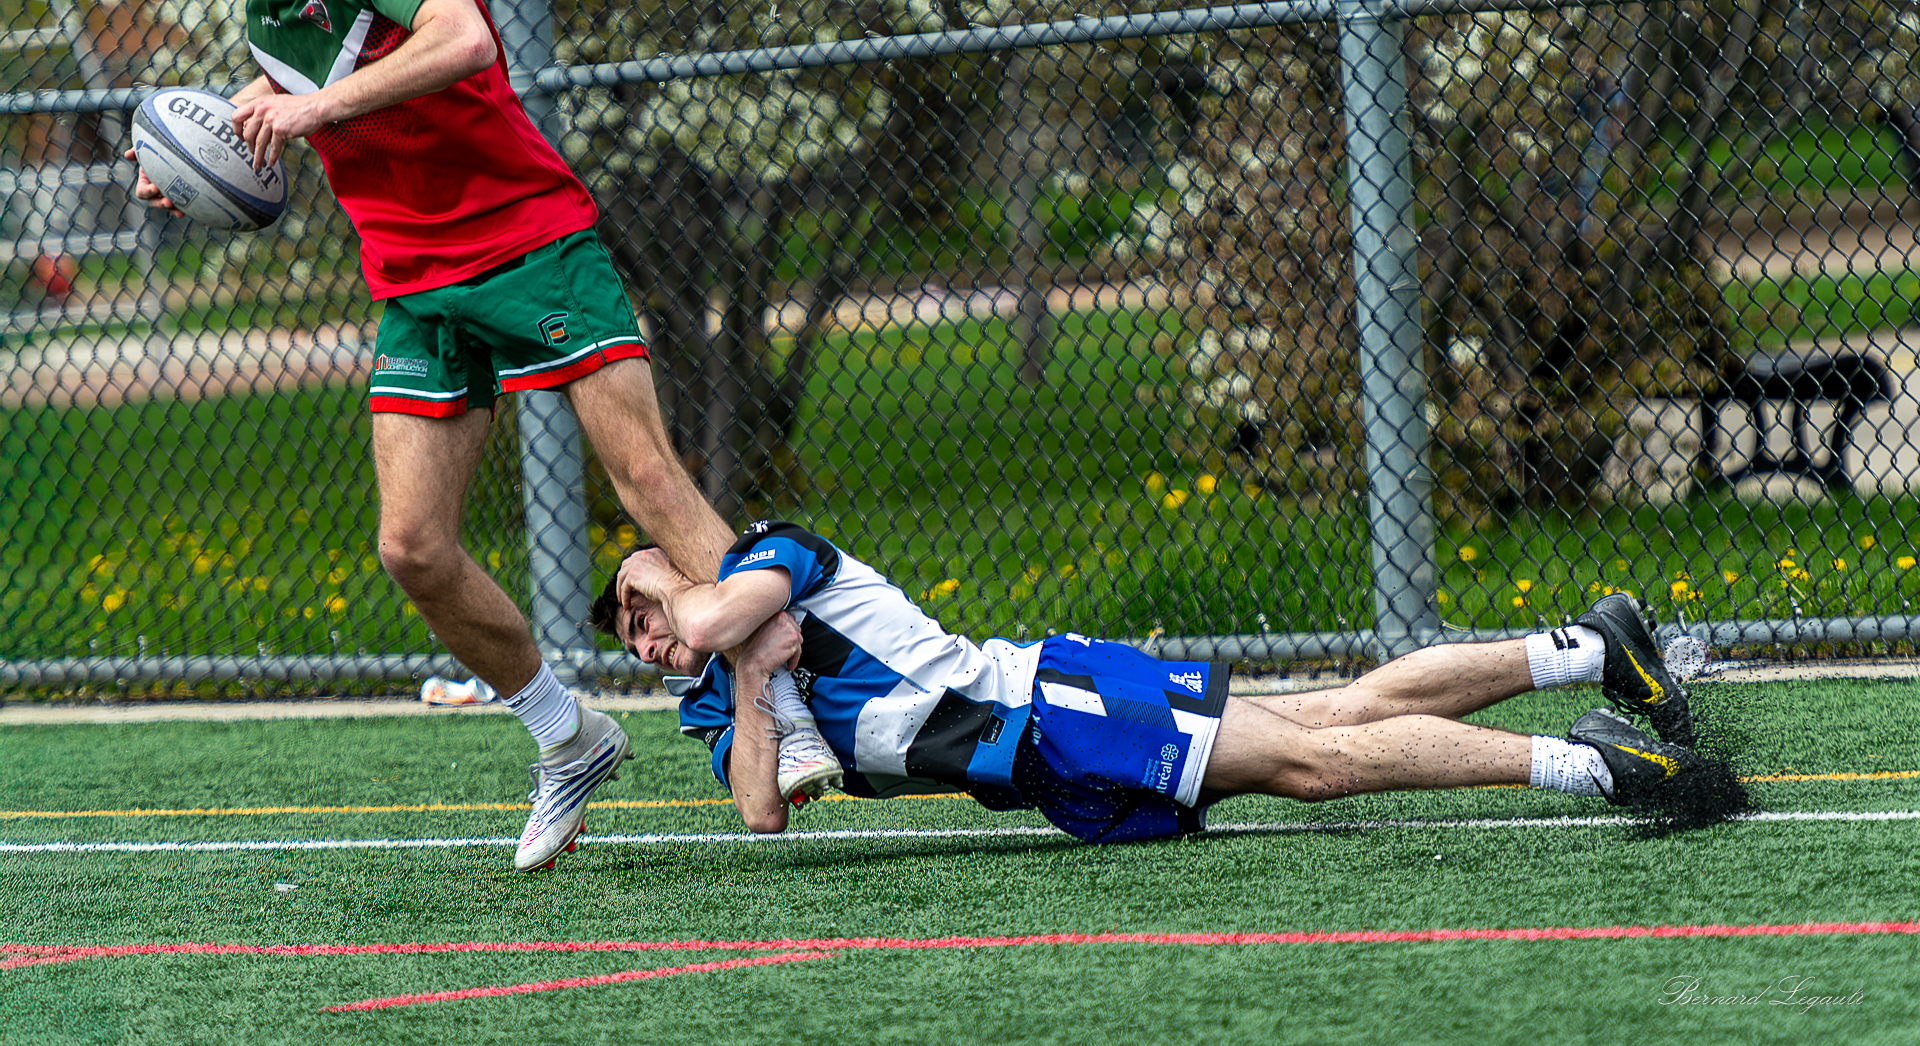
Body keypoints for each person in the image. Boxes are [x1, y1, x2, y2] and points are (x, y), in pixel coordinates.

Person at [126, 0, 736, 872]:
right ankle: (567, 738)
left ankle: (789, 687)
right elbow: (302, 75)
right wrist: (197, 151)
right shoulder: (264, 11)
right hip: (412, 277)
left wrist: (311, 111)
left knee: (648, 477)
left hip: (525, 236)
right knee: (412, 546)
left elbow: (463, 37)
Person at [590, 522, 1718, 843]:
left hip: (1047, 708)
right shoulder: (722, 687)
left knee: (1313, 764)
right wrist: (753, 677)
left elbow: (714, 609)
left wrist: (670, 577)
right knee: (1335, 713)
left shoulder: (770, 557)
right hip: (1043, 767)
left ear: (679, 577)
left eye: (640, 610)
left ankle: (1605, 767)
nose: (646, 640)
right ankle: (1588, 650)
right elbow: (760, 809)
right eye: (631, 637)